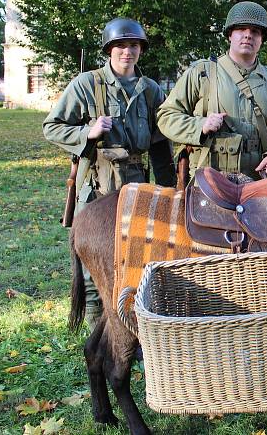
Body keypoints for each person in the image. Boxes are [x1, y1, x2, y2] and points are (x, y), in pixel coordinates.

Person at [43, 18, 177, 329]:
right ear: (109, 49)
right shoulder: (86, 84)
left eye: (133, 45)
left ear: (140, 50)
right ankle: (98, 335)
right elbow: (52, 127)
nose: (127, 51)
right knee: (94, 270)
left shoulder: (151, 90)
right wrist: (87, 132)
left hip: (136, 188)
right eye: (120, 45)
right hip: (97, 186)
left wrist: (170, 189)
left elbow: (159, 143)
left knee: (138, 263)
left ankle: (133, 334)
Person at [157, 1, 267, 179]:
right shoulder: (202, 73)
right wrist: (200, 125)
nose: (248, 35)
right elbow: (166, 116)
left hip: (257, 182)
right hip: (210, 180)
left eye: (255, 31)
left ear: (262, 39)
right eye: (241, 29)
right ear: (230, 34)